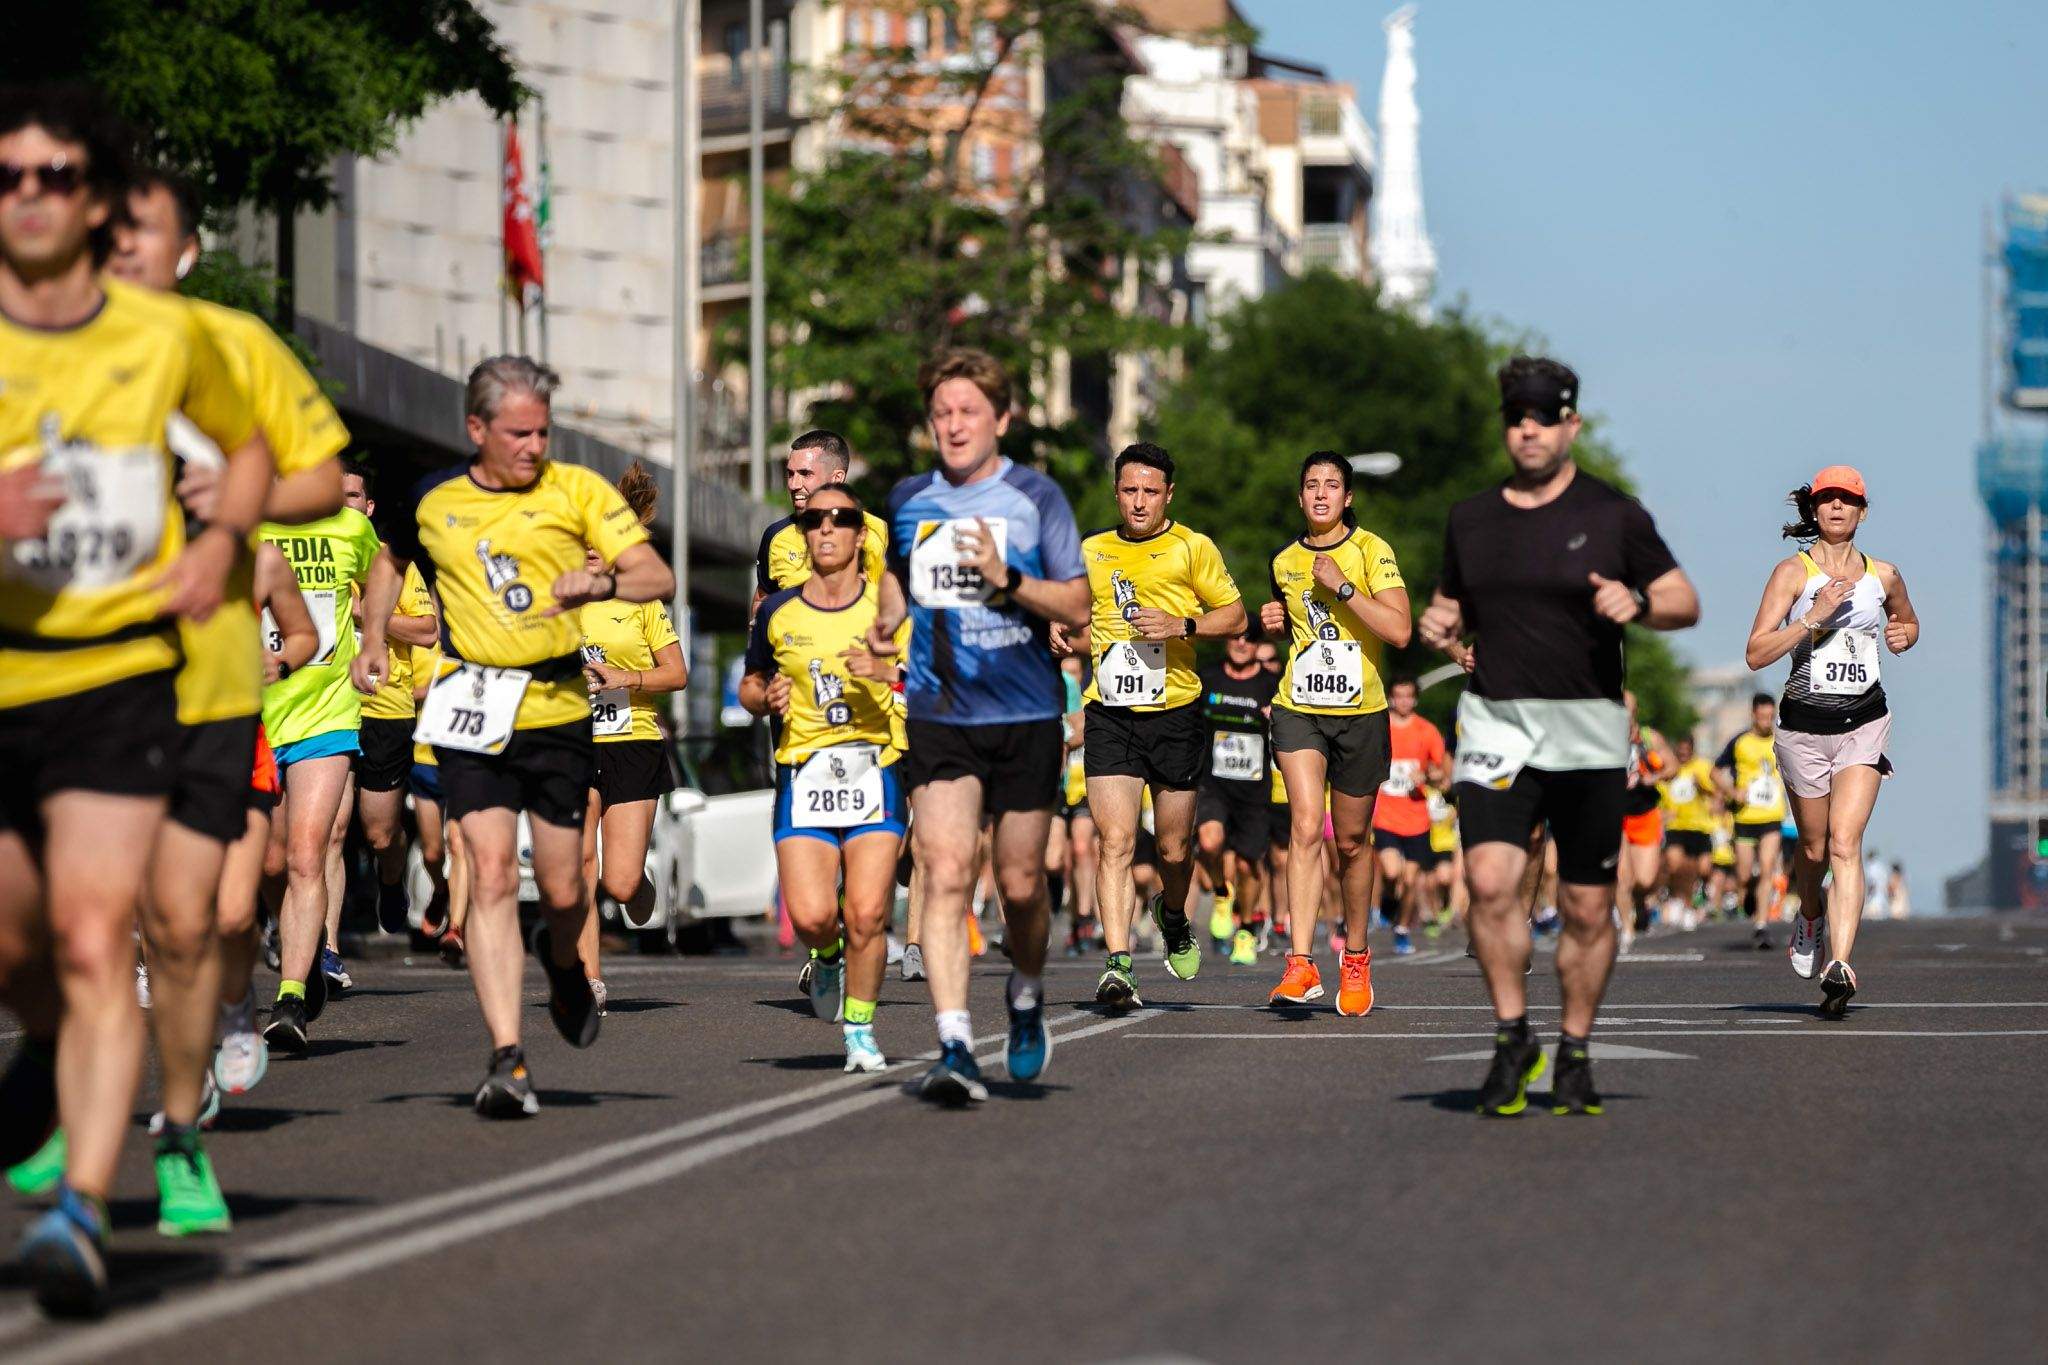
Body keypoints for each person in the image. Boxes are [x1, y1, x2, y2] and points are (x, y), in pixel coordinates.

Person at [0, 83, 271, 1315]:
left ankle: (94, 1192)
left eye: (58, 177)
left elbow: (268, 447)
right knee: (25, 943)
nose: (32, 199)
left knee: (121, 929)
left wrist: (226, 535)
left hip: (134, 676)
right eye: (9, 177)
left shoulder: (182, 339)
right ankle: (65, 1065)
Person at [353, 356, 675, 1117]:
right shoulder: (432, 497)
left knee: (566, 885)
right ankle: (507, 1054)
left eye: (543, 431)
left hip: (559, 703)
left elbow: (653, 573)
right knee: (490, 870)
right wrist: (372, 636)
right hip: (474, 699)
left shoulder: (580, 491)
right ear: (477, 428)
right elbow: (388, 561)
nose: (534, 445)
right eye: (518, 432)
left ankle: (564, 963)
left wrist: (601, 582)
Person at [1419, 356, 1698, 1117]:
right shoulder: (1471, 519)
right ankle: (1513, 1034)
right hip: (1497, 722)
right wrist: (1438, 622)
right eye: (1518, 416)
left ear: (1571, 425)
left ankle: (1573, 1046)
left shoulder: (1613, 515)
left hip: (1587, 728)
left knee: (1584, 906)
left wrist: (1636, 602)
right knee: (1489, 883)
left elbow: (1682, 599)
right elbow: (1449, 603)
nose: (1530, 429)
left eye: (1545, 416)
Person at [868, 348, 1088, 1104]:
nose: (954, 425)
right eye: (942, 413)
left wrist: (1009, 580)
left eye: (968, 412)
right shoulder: (907, 499)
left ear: (1002, 417)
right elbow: (897, 576)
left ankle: (1025, 993)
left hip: (1025, 711)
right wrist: (886, 620)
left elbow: (1079, 606)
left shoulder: (1037, 499)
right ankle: (955, 1042)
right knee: (948, 864)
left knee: (1022, 883)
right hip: (941, 712)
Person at [1056, 442, 1244, 1009]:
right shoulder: (1091, 550)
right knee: (1112, 841)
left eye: (1150, 492)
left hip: (1176, 710)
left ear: (1168, 495)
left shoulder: (1193, 547)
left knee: (1172, 848)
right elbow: (1084, 626)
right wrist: (1064, 634)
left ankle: (1173, 913)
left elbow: (1233, 616)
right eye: (1130, 491)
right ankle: (1117, 965)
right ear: (1117, 492)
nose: (1139, 502)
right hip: (1109, 711)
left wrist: (1182, 623)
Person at [1742, 465, 1917, 1016]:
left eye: (1849, 499)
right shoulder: (1792, 575)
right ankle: (1810, 915)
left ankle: (1840, 962)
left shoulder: (1883, 575)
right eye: (1828, 499)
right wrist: (1811, 621)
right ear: (1813, 511)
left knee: (1845, 842)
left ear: (1863, 512)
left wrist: (1902, 636)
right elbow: (1756, 653)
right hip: (1802, 727)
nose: (1838, 507)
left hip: (1864, 722)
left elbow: (1908, 623)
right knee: (1813, 849)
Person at [742, 485, 907, 1069]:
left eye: (841, 519)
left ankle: (860, 1030)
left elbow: (931, 686)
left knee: (867, 913)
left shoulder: (886, 613)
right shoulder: (778, 613)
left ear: (862, 535)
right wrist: (767, 695)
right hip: (804, 774)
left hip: (874, 770)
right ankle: (828, 955)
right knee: (814, 915)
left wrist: (884, 670)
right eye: (814, 520)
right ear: (803, 534)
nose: (827, 529)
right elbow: (749, 685)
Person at [1261, 452, 1410, 1014]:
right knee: (1304, 825)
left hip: (1361, 711)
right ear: (1300, 497)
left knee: (1350, 842)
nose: (1321, 494)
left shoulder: (1372, 551)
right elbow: (1285, 620)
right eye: (1311, 485)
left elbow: (1399, 630)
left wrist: (1345, 588)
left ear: (1348, 498)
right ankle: (1299, 964)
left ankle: (1355, 956)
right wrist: (1268, 619)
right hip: (1299, 706)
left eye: (1332, 486)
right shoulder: (1283, 560)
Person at [754, 430, 893, 995]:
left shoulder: (877, 532)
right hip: (797, 719)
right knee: (814, 852)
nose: (793, 484)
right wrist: (763, 686)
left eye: (805, 474)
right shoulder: (774, 538)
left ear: (837, 477)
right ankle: (828, 937)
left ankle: (858, 927)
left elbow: (898, 605)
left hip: (869, 716)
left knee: (871, 857)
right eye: (789, 474)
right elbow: (760, 612)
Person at [256, 452, 380, 1048]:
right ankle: (293, 954)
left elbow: (386, 572)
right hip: (257, 716)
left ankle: (291, 998)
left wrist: (373, 636)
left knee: (310, 854)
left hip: (327, 712)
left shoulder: (348, 525)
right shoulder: (251, 525)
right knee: (271, 863)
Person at [579, 461, 688, 1009]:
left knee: (619, 886)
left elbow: (678, 673)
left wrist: (629, 677)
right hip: (571, 739)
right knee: (577, 861)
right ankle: (589, 978)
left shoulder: (641, 601)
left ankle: (639, 881)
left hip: (631, 735)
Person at [339, 460, 440, 938]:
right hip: (328, 708)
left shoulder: (392, 561)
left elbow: (426, 630)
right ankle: (325, 951)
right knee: (326, 836)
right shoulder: (314, 556)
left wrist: (369, 618)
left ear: (369, 505)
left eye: (353, 497)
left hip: (387, 708)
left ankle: (391, 879)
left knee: (380, 834)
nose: (345, 506)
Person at [1195, 629, 1279, 967]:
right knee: (1210, 843)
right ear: (1226, 641)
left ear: (1258, 646)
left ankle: (1245, 928)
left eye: (1250, 639)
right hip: (1213, 783)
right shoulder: (1208, 678)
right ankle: (1220, 893)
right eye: (1236, 637)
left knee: (1247, 864)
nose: (1242, 643)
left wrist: (1279, 716)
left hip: (1254, 790)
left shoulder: (1272, 684)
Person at [1370, 677, 1448, 957]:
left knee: (1412, 878)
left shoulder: (1427, 731)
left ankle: (1402, 929)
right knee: (1392, 872)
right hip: (1386, 816)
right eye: (1398, 696)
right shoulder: (1380, 727)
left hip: (1417, 819)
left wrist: (1427, 775)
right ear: (1391, 698)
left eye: (1408, 696)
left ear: (1415, 699)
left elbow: (1442, 776)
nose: (1403, 701)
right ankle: (1388, 899)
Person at [1715, 695, 1788, 949]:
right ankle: (1750, 891)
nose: (1767, 722)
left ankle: (1761, 925)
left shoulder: (1782, 739)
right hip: (1745, 816)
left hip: (1771, 815)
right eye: (1762, 716)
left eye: (1771, 716)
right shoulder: (1740, 742)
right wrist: (1731, 792)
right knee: (1744, 875)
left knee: (1768, 868)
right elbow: (1715, 771)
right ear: (1753, 715)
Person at [1617, 693, 1670, 950]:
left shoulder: (1650, 738)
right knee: (1622, 876)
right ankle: (1626, 928)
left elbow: (1672, 767)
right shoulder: (1605, 739)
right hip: (1616, 813)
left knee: (1645, 880)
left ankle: (1640, 904)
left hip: (1645, 813)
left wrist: (1654, 777)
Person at [1658, 734, 1718, 929]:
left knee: (1701, 869)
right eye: (1680, 752)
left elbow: (1715, 792)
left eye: (1686, 752)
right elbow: (1660, 795)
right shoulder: (1669, 770)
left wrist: (1701, 786)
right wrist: (1664, 813)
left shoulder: (1703, 767)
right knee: (1675, 865)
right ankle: (1678, 900)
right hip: (1677, 826)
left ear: (1692, 750)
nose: (1683, 755)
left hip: (1699, 827)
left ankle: (1694, 900)